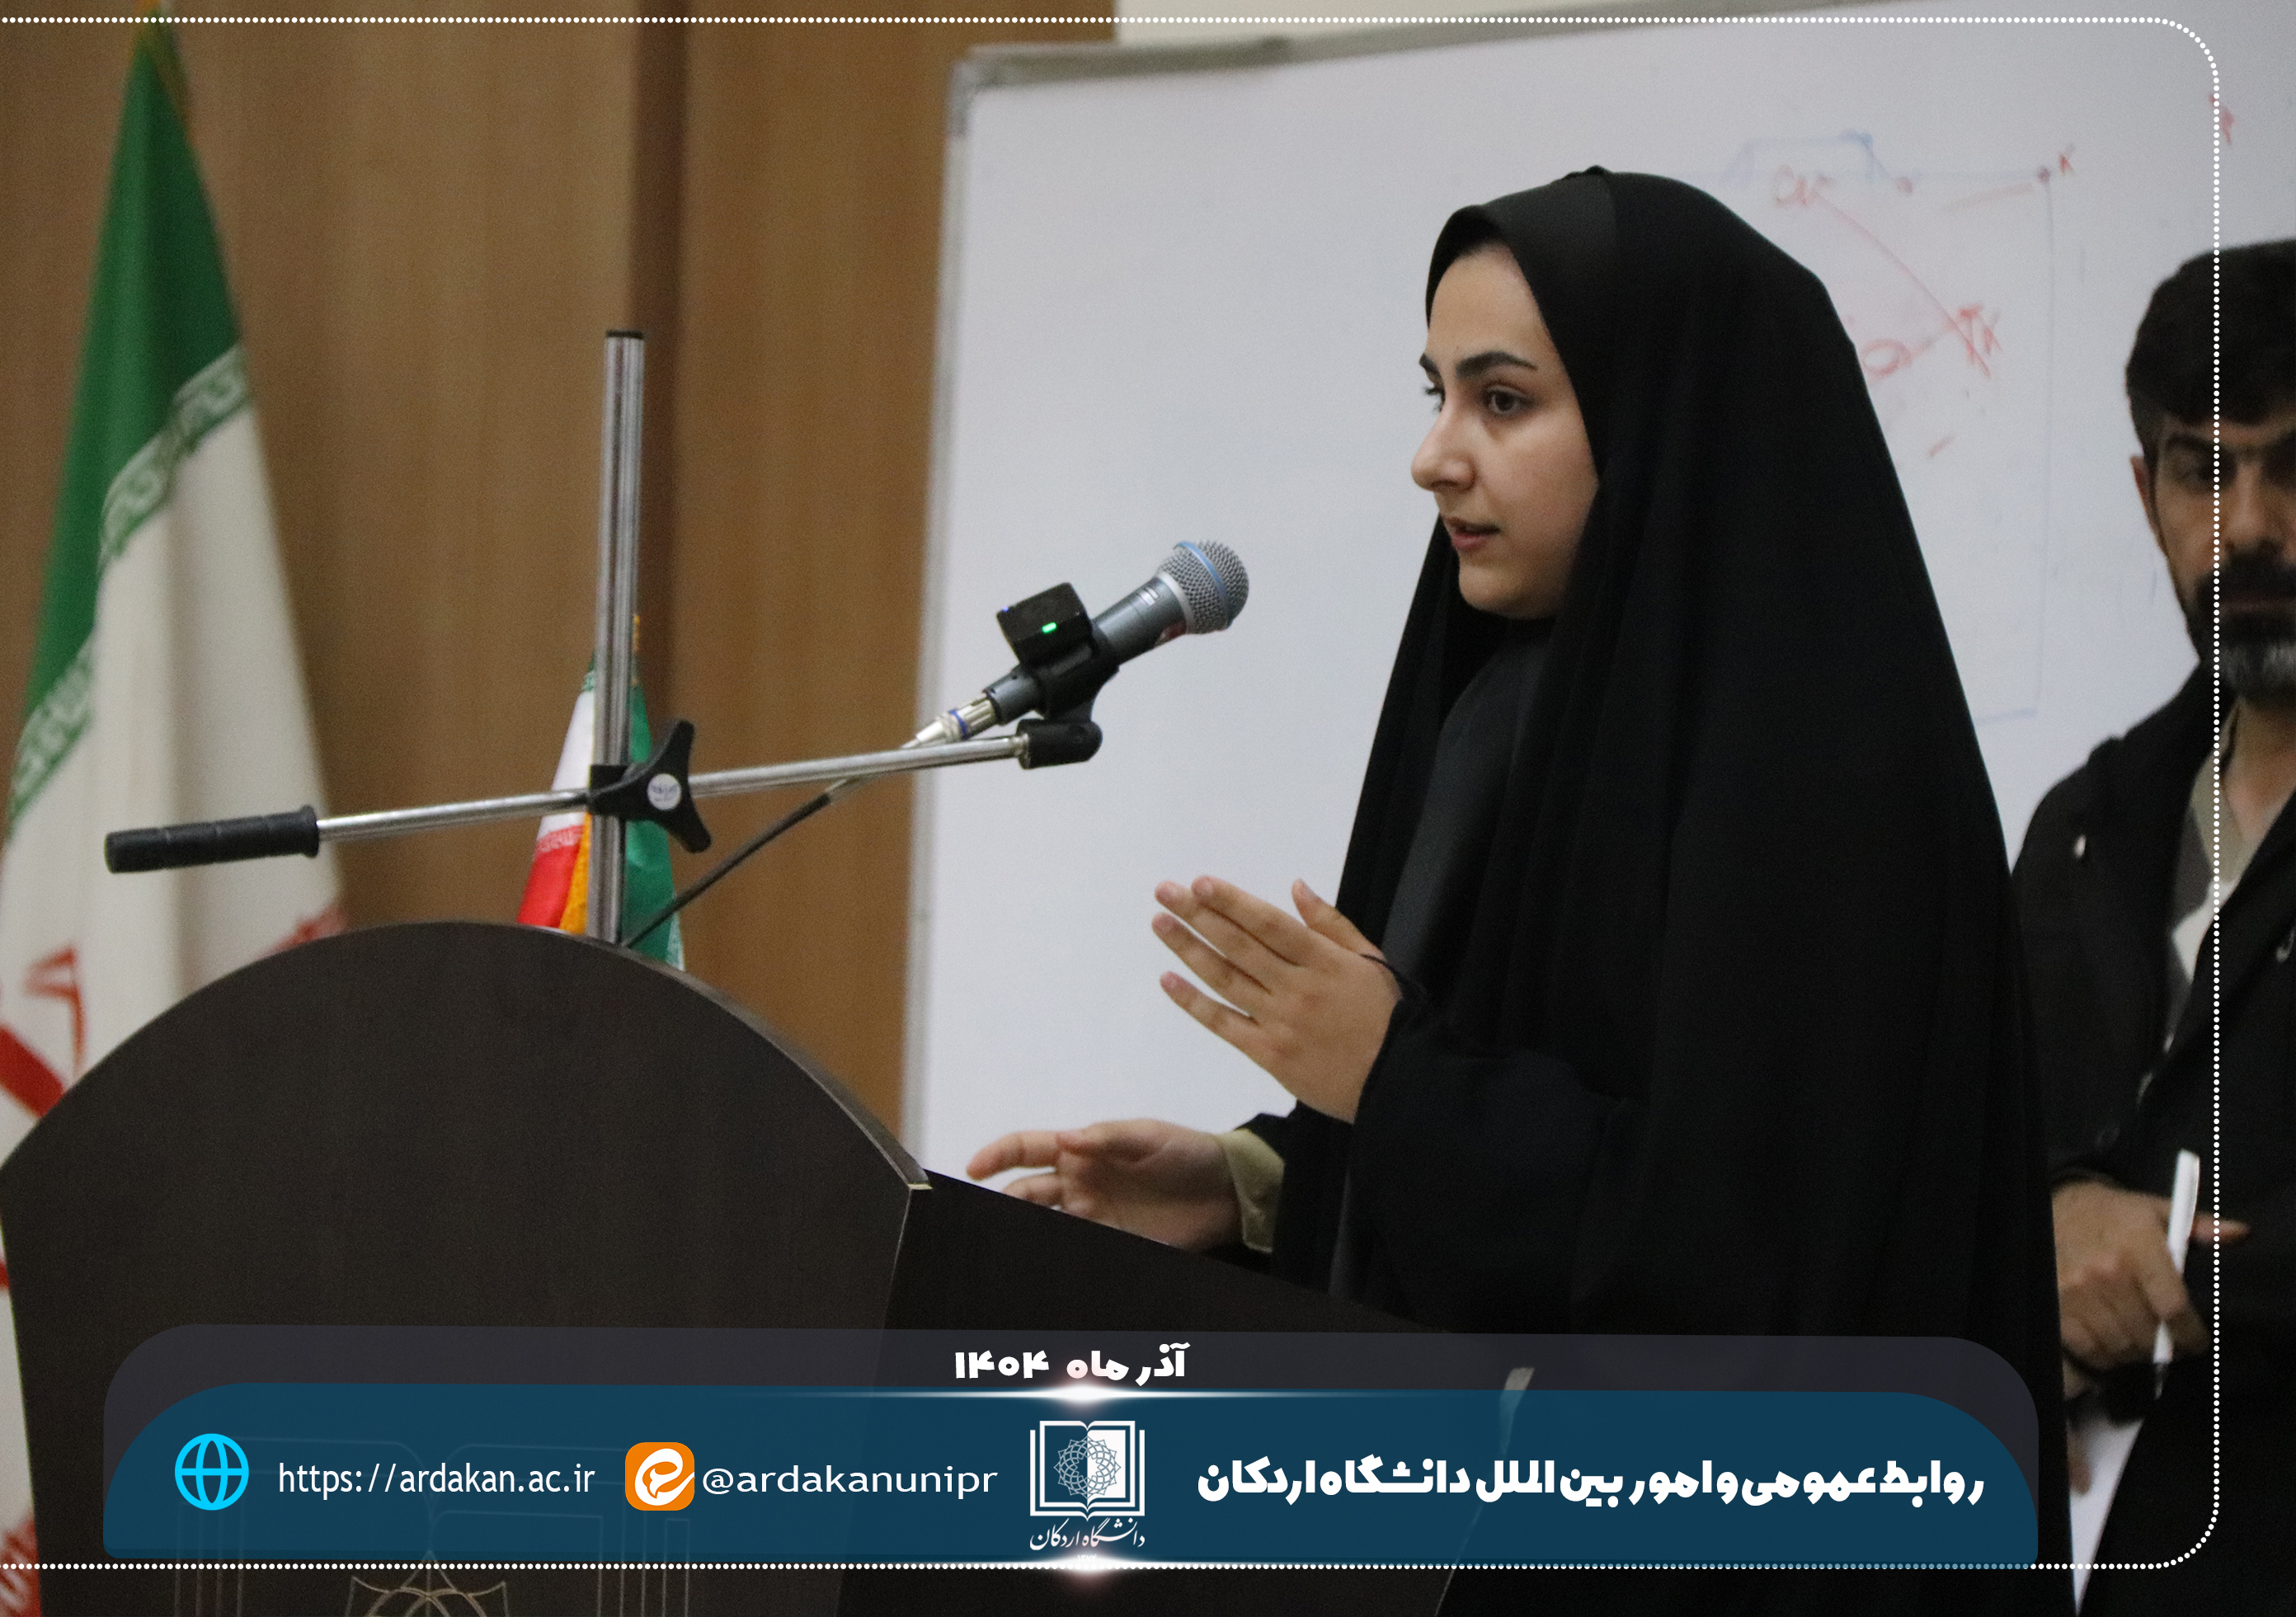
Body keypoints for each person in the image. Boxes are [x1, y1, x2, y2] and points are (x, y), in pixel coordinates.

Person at [971, 170, 2072, 1610]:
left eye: (1503, 401)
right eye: (1436, 394)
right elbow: (1524, 1086)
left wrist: (1393, 1082)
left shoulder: (1826, 769)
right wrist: (1261, 1186)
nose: (1434, 457)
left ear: (1665, 411)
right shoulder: (1502, 703)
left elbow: (1750, 1262)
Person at [2011, 239, 2296, 1614]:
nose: (2250, 526)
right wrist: (2049, 1226)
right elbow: (1962, 1156)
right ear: (2148, 495)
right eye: (2204, 470)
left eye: (2293, 466)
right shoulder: (2084, 824)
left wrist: (2166, 1275)